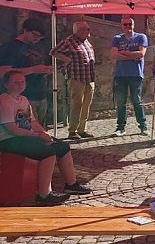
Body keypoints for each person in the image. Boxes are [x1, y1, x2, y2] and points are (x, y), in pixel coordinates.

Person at [0, 71, 91, 205]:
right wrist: (37, 136)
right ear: (6, 85)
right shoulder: (4, 101)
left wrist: (44, 133)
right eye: (16, 82)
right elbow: (12, 129)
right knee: (47, 152)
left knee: (62, 147)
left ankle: (71, 184)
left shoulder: (23, 100)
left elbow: (32, 122)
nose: (20, 85)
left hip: (24, 136)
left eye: (22, 82)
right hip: (7, 139)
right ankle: (44, 194)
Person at [0, 18, 53, 127]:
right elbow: (4, 72)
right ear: (25, 30)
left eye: (40, 37)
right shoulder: (9, 47)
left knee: (41, 128)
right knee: (28, 129)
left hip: (40, 93)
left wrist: (46, 70)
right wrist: (33, 70)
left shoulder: (39, 46)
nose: (37, 39)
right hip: (22, 95)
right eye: (35, 35)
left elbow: (38, 66)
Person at [50, 21, 96, 140]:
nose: (89, 30)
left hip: (89, 77)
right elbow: (54, 52)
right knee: (77, 104)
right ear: (79, 30)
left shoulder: (85, 41)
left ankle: (82, 129)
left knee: (86, 104)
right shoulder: (69, 41)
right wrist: (68, 60)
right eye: (87, 29)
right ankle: (72, 131)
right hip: (76, 77)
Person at [111, 16, 148, 136]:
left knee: (137, 100)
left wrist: (124, 53)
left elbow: (141, 54)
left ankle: (143, 126)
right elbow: (114, 55)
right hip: (120, 75)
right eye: (125, 25)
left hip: (136, 74)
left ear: (133, 25)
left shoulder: (141, 37)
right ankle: (120, 127)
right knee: (121, 102)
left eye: (130, 24)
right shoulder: (116, 38)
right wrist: (132, 55)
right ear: (121, 26)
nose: (128, 27)